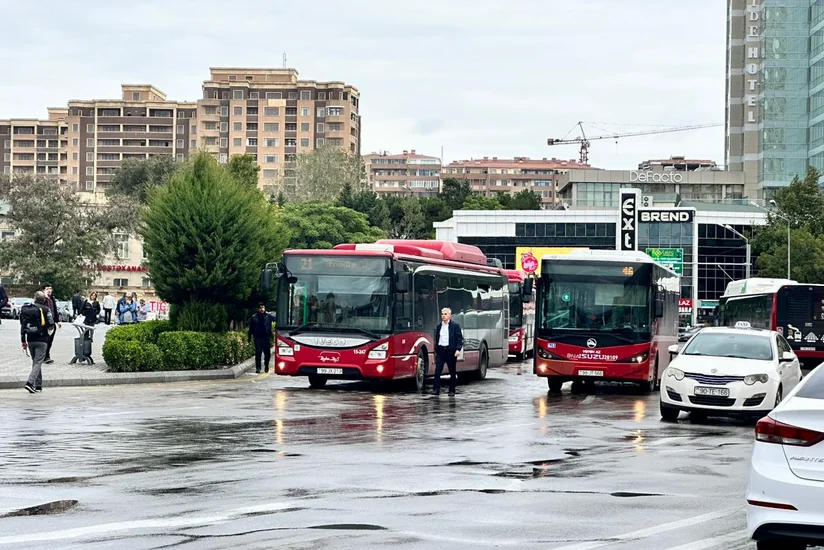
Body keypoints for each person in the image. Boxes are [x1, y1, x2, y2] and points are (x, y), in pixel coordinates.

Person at [20, 291, 56, 394]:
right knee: (38, 362)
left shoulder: (27, 309)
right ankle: (30, 383)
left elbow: (22, 325)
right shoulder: (46, 309)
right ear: (44, 300)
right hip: (42, 339)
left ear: (34, 298)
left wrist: (23, 340)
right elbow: (50, 323)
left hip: (30, 339)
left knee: (36, 362)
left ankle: (38, 385)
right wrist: (49, 333)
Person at [433, 307, 463, 396]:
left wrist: (458, 349)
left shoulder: (455, 326)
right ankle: (436, 389)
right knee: (437, 371)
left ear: (450, 315)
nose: (443, 316)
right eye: (442, 314)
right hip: (441, 351)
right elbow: (437, 339)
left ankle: (452, 390)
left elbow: (459, 338)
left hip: (450, 351)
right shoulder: (439, 327)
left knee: (452, 371)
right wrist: (436, 350)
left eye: (445, 314)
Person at [248, 302, 275, 374]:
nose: (262, 309)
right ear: (258, 309)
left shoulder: (268, 316)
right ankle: (258, 367)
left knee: (267, 354)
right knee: (258, 353)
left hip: (266, 337)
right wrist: (249, 337)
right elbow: (251, 328)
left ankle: (266, 365)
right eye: (260, 308)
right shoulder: (254, 317)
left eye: (263, 307)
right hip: (258, 337)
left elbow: (276, 319)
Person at [41, 284, 62, 364]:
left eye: (50, 288)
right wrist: (45, 297)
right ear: (43, 290)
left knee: (50, 341)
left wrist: (58, 320)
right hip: (44, 323)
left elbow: (55, 310)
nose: (49, 290)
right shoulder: (41, 298)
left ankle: (47, 355)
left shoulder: (52, 298)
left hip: (52, 323)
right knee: (45, 340)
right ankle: (44, 356)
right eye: (47, 289)